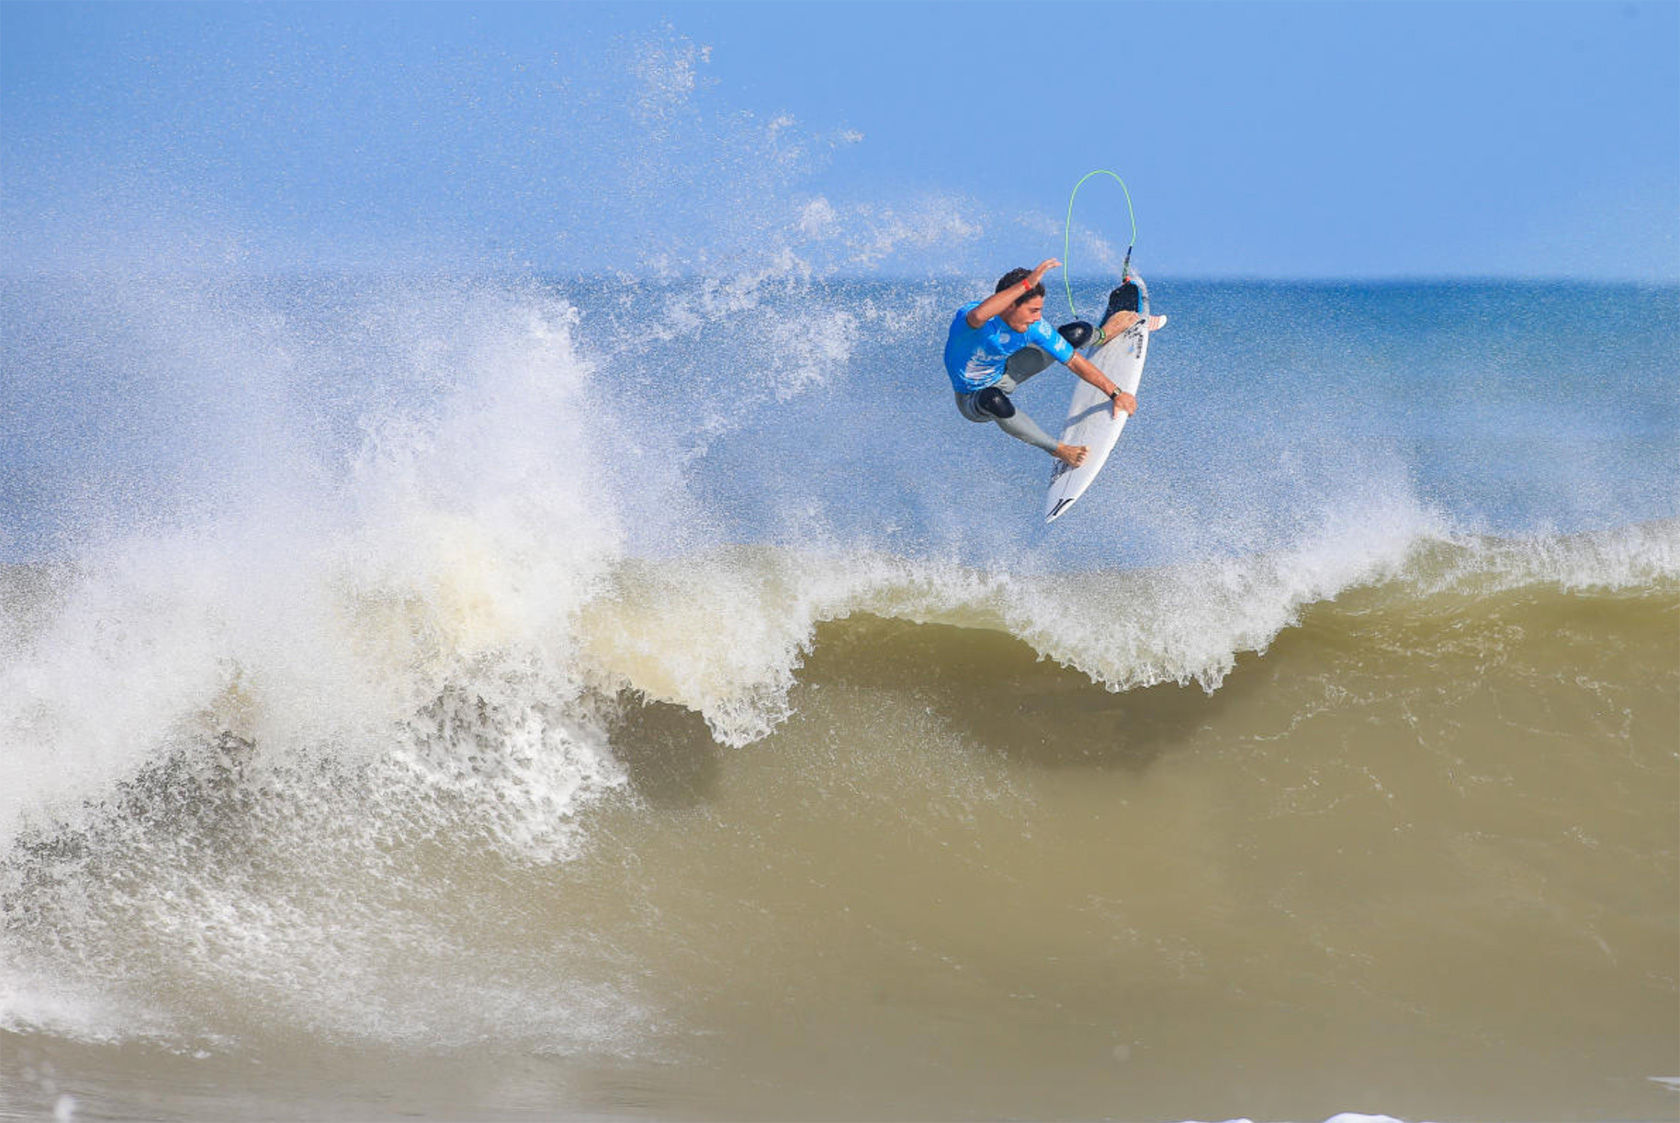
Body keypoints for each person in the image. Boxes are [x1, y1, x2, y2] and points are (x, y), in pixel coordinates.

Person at [943, 258, 1166, 468]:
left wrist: (1116, 394)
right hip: (972, 397)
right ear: (1010, 305)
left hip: (1009, 373)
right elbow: (979, 315)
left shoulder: (1034, 328)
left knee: (1075, 333)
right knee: (993, 399)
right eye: (1033, 310)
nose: (1037, 317)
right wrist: (1026, 284)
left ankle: (1104, 333)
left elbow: (1074, 361)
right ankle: (1059, 450)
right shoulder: (972, 322)